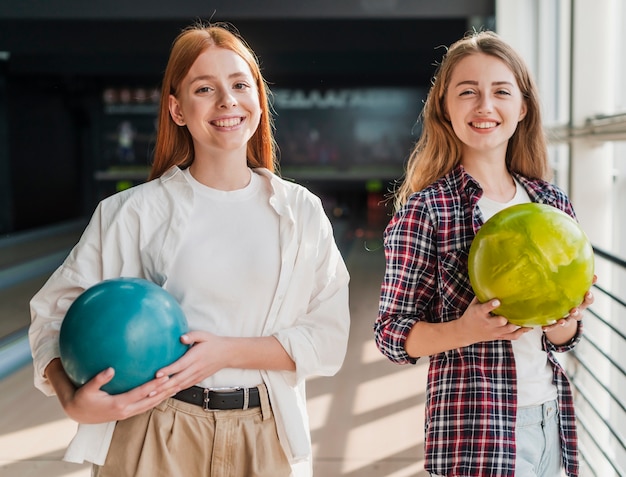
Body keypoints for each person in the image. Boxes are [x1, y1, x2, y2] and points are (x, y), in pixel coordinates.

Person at [29, 21, 350, 477]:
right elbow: (51, 314)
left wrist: (227, 352)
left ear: (258, 99)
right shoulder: (133, 211)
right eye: (205, 88)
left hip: (264, 434)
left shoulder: (301, 211)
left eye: (240, 84)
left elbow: (330, 338)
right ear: (177, 110)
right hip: (156, 430)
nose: (227, 101)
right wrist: (70, 396)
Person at [374, 30, 595, 477]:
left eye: (500, 92)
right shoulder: (427, 210)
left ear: (522, 108)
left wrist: (565, 320)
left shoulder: (552, 205)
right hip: (475, 433)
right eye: (468, 93)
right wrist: (466, 329)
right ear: (445, 108)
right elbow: (390, 335)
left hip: (551, 415)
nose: (484, 107)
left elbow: (562, 339)